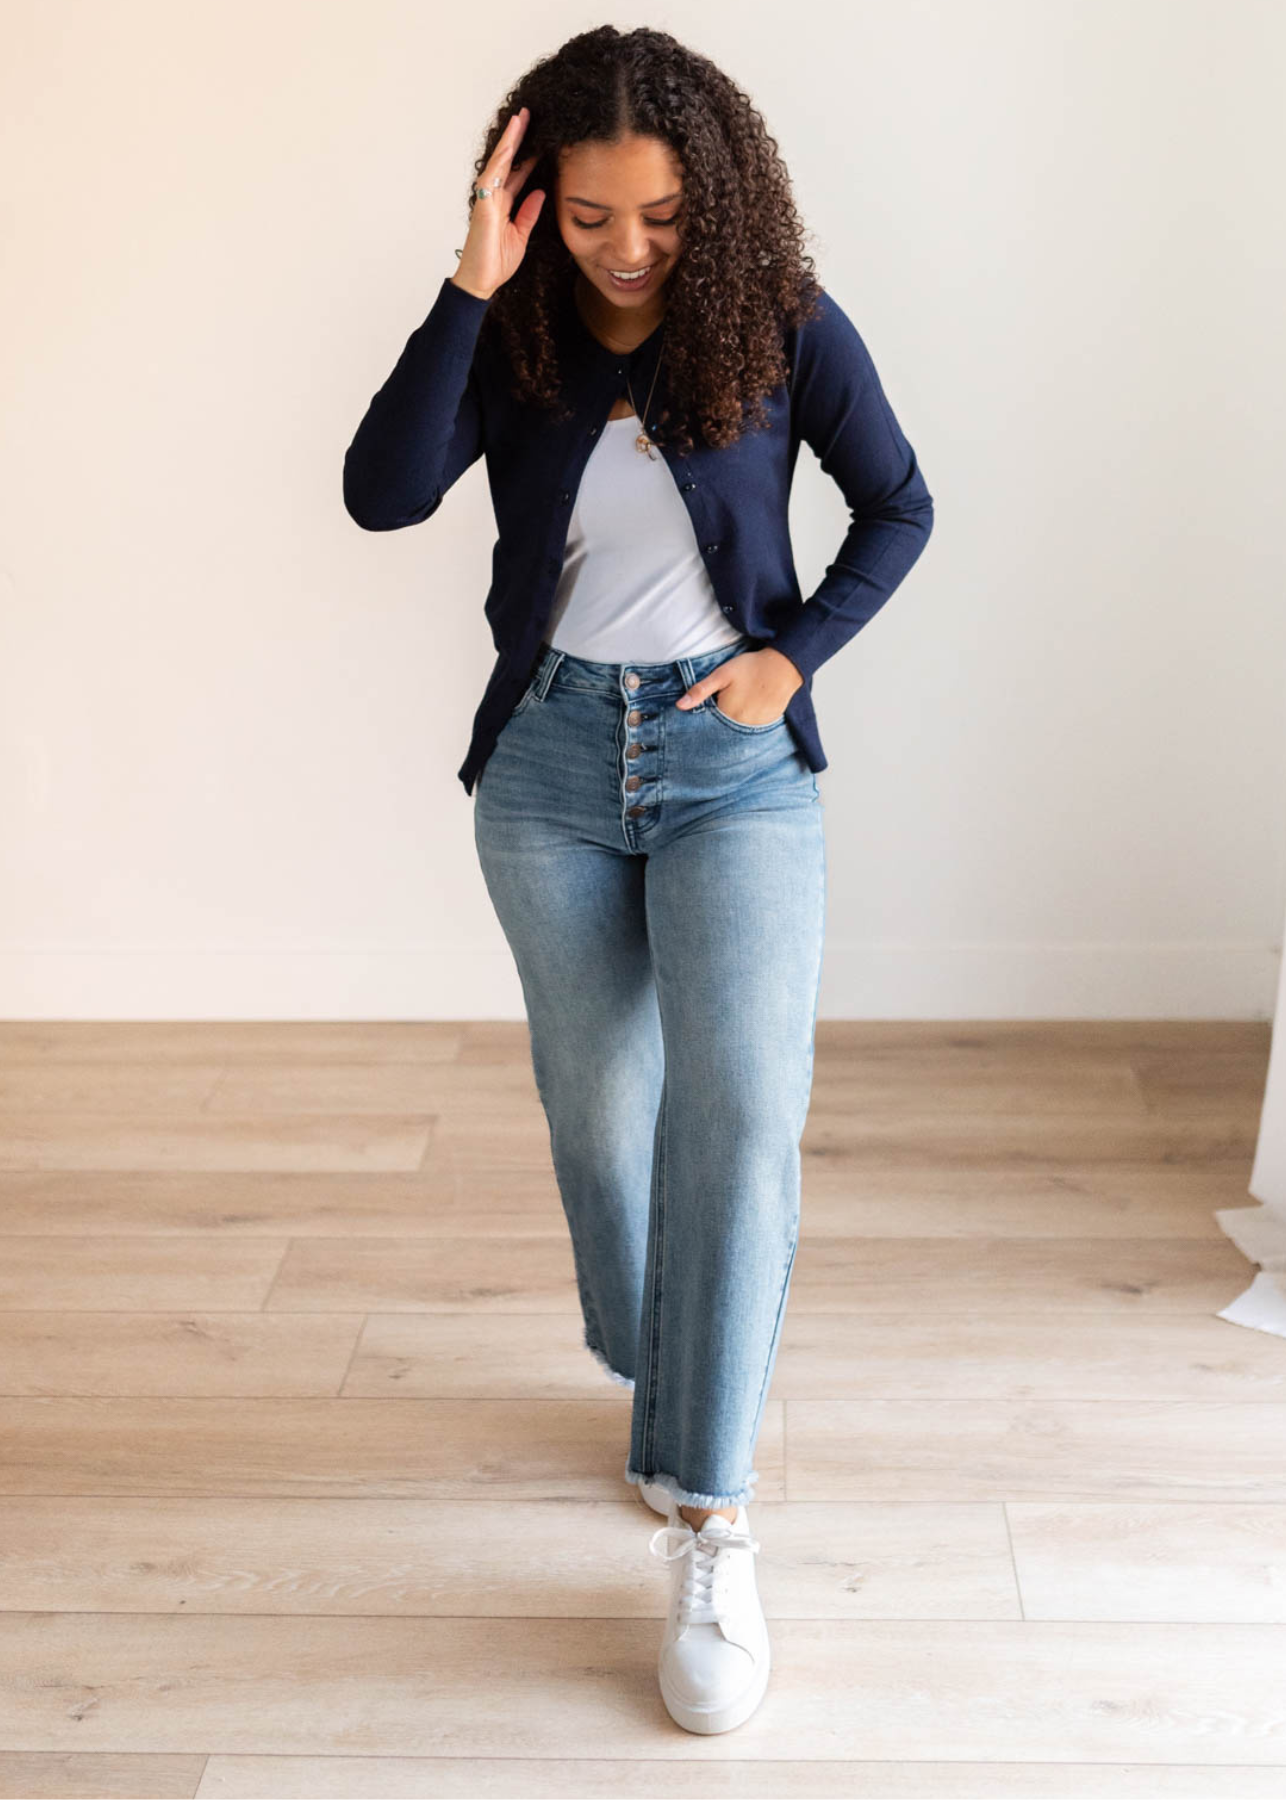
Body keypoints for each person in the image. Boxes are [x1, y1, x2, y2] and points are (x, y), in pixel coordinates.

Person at [342, 24, 934, 1736]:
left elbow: (894, 504)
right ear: (536, 196)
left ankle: (712, 1510)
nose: (623, 248)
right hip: (543, 770)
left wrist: (788, 661)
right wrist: (469, 279)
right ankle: (660, 1365)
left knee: (739, 1110)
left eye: (659, 216)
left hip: (732, 768)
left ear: (715, 196)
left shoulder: (780, 324)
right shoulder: (519, 327)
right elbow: (383, 495)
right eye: (590, 213)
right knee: (602, 1111)